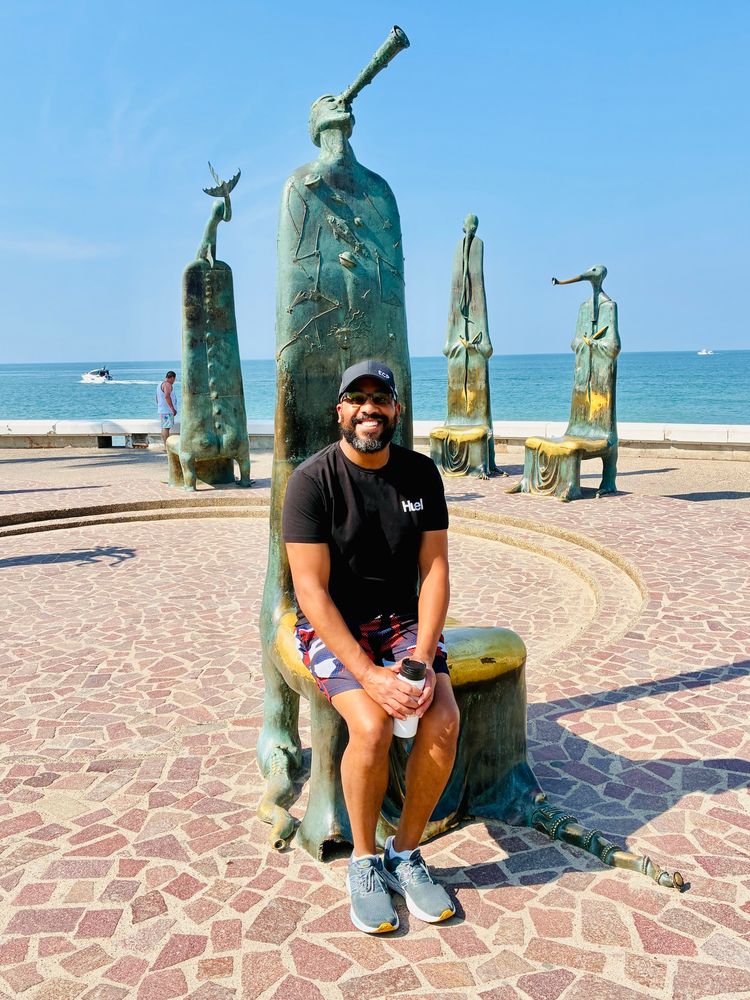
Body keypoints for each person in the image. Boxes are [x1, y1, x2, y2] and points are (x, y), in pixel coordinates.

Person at [282, 359, 460, 935]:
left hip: (401, 623)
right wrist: (369, 675)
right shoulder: (312, 482)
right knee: (372, 725)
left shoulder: (420, 475)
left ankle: (404, 852)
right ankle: (363, 858)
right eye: (356, 399)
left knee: (443, 717)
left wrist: (420, 657)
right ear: (340, 410)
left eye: (380, 398)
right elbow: (309, 590)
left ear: (396, 411)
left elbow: (434, 570)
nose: (368, 409)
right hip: (331, 623)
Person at [156, 371, 177, 448]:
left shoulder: (159, 384)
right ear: (172, 378)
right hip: (167, 410)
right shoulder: (167, 384)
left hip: (163, 410)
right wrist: (172, 408)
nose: (174, 381)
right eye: (174, 379)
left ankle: (165, 445)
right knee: (166, 428)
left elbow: (157, 398)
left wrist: (160, 406)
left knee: (164, 427)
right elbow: (167, 396)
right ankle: (167, 447)